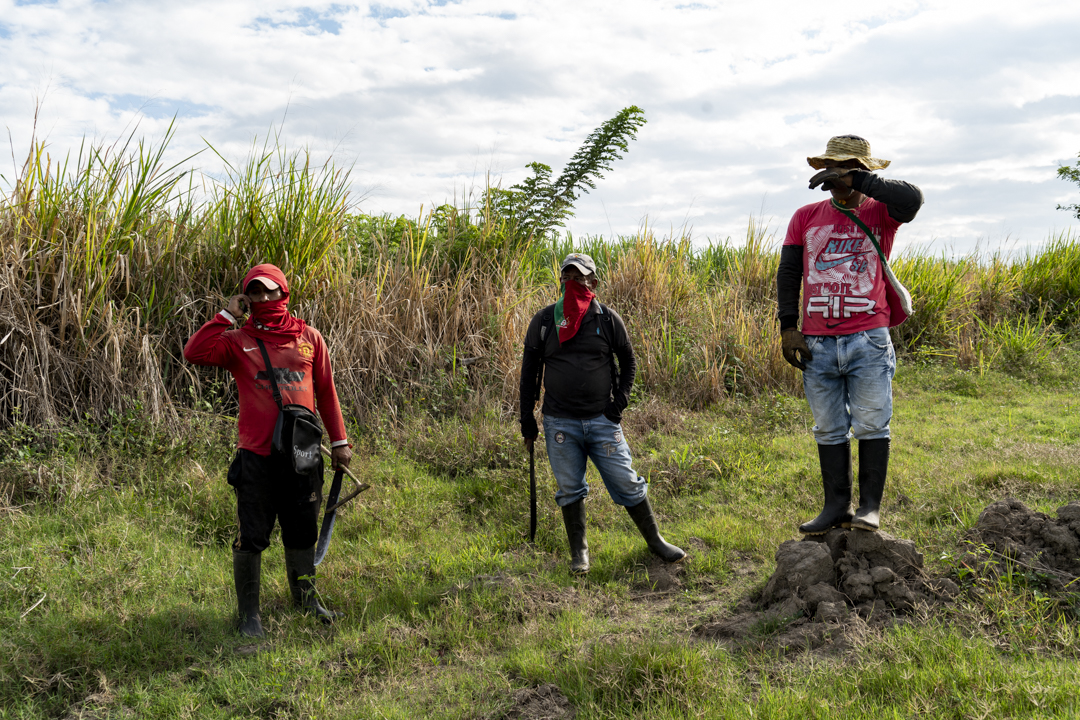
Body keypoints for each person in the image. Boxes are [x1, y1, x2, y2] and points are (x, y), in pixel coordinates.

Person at [184, 264, 352, 637]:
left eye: (270, 291)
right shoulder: (237, 341)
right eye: (255, 293)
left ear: (284, 293)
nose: (264, 299)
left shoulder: (309, 338)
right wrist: (228, 315)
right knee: (253, 534)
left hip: (304, 453)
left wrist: (339, 442)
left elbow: (326, 391)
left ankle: (306, 601)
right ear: (247, 297)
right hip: (256, 456)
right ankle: (249, 618)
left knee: (302, 528)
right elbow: (195, 352)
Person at [776, 135, 923, 535]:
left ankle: (869, 508)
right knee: (827, 427)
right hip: (817, 341)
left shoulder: (882, 212)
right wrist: (788, 327)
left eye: (847, 167)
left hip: (868, 339)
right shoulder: (805, 216)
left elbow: (913, 198)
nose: (836, 175)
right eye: (833, 167)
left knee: (873, 423)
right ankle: (835, 508)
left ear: (865, 171)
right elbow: (790, 273)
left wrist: (858, 180)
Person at [519, 253, 685, 574]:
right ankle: (579, 554)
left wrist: (618, 404)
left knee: (626, 481)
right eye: (568, 278)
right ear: (560, 283)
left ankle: (656, 542)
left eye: (580, 278)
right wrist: (528, 422)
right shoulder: (544, 322)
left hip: (602, 421)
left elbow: (629, 362)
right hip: (559, 424)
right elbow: (529, 375)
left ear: (594, 283)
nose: (574, 284)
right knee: (570, 488)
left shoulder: (608, 320)